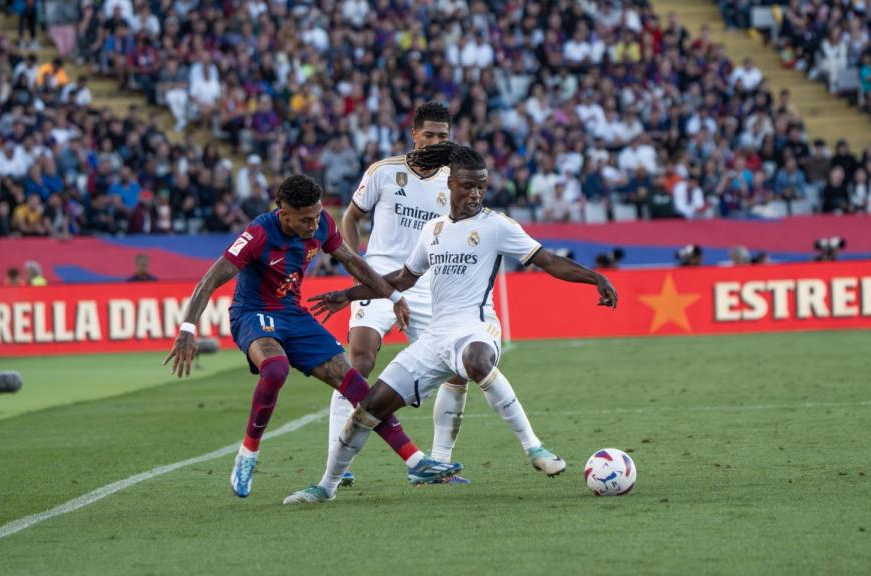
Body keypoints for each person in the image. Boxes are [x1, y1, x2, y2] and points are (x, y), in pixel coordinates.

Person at [284, 143, 618, 505]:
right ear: (451, 185)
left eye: (481, 186)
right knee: (368, 408)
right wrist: (348, 295)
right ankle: (326, 487)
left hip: (476, 327)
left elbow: (550, 261)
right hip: (435, 339)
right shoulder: (433, 231)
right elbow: (401, 279)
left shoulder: (497, 226)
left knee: (476, 362)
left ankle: (534, 448)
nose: (475, 193)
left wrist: (594, 278)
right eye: (467, 186)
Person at [163, 175, 460, 499]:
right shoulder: (258, 233)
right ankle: (248, 454)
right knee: (275, 369)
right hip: (253, 314)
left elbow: (353, 262)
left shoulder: (321, 225)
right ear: (283, 212)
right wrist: (187, 330)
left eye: (317, 215)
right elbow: (209, 280)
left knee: (357, 385)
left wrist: (392, 297)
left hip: (294, 315)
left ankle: (415, 461)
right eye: (305, 219)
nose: (313, 224)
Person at [334, 103, 538, 486]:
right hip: (380, 277)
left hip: (427, 285)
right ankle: (338, 459)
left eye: (443, 136)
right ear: (414, 134)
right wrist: (354, 261)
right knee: (359, 361)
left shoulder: (454, 179)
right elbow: (351, 215)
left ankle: (439, 463)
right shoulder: (384, 171)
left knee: (456, 372)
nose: (436, 141)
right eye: (429, 135)